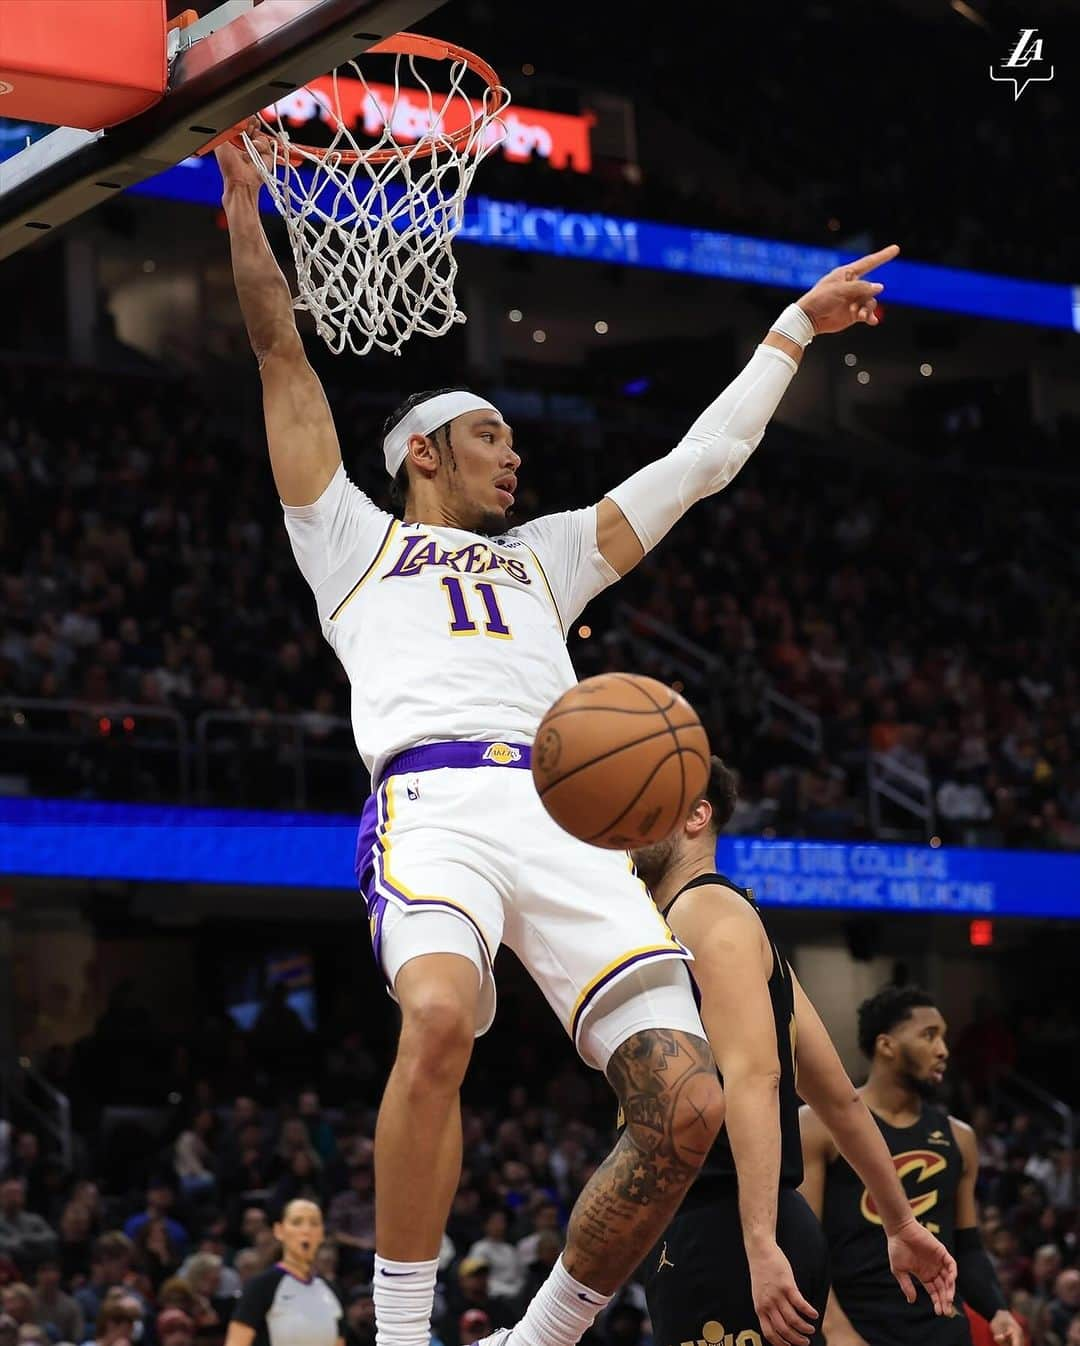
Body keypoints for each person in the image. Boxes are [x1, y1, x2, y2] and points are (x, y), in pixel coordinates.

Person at [216, 121, 895, 1346]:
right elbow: (279, 351)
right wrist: (238, 197)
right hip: (437, 806)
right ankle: (408, 1327)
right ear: (424, 449)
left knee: (686, 1107)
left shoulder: (548, 557)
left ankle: (538, 1338)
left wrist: (792, 332)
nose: (514, 454)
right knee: (433, 1013)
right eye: (492, 436)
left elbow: (701, 463)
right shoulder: (352, 539)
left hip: (570, 815)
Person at [629, 757, 955, 1346]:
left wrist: (759, 1242)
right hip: (746, 1228)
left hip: (728, 1229)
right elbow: (839, 1099)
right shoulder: (744, 925)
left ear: (697, 816)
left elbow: (756, 1077)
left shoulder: (702, 913)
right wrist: (901, 1222)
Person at [802, 984, 1024, 1346]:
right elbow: (804, 1244)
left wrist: (997, 1308)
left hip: (941, 1328)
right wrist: (835, 1328)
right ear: (886, 1045)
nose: (943, 1051)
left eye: (944, 1038)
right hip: (859, 1327)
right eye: (929, 1036)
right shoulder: (818, 1124)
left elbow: (967, 1246)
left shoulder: (960, 1137)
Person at [224, 1200, 341, 1346]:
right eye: (297, 1222)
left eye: (314, 1223)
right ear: (279, 1231)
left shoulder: (331, 1290)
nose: (306, 1230)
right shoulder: (261, 1287)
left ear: (322, 1233)